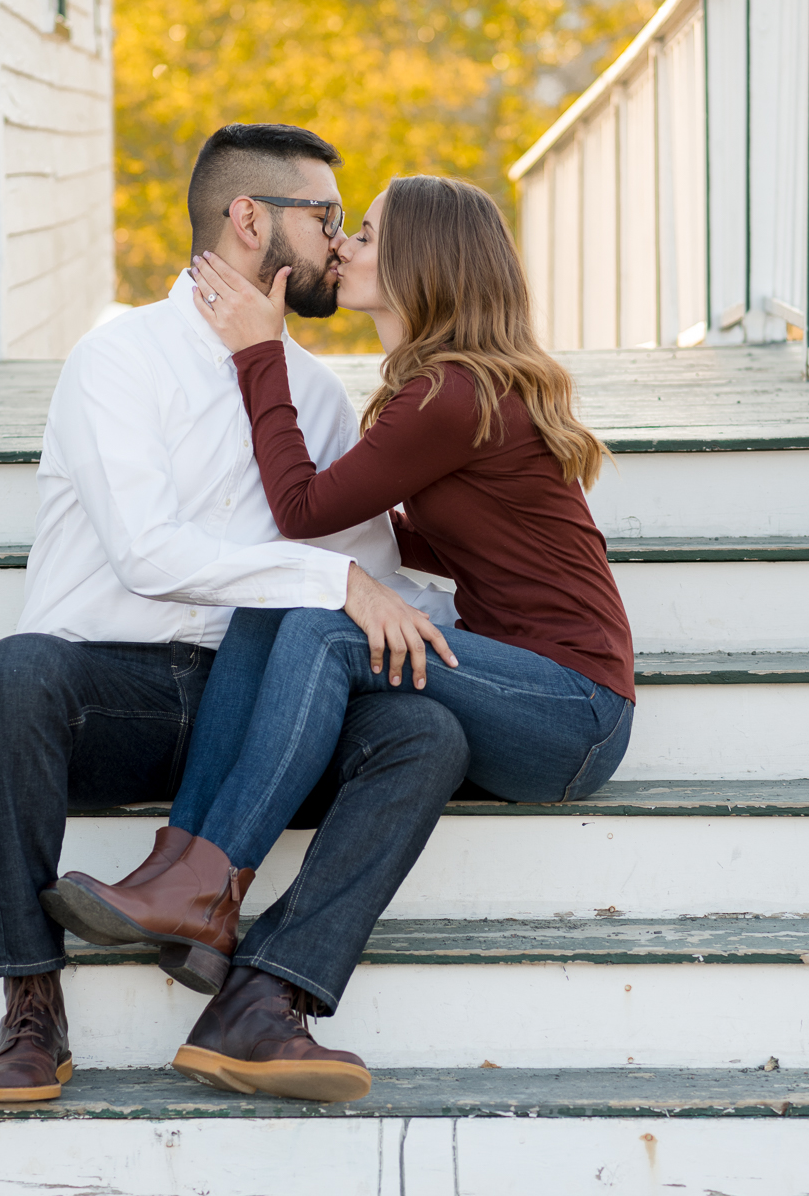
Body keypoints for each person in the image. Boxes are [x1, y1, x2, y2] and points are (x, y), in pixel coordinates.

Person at [68, 175, 636, 1096]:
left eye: (365, 235)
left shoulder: (454, 395)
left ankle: (209, 886)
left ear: (420, 263)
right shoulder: (443, 394)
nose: (344, 249)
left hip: (573, 707)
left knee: (322, 613)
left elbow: (301, 512)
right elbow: (391, 536)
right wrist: (341, 570)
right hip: (504, 690)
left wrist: (260, 356)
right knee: (291, 606)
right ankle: (204, 907)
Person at [0, 125, 470, 1107]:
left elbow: (372, 581)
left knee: (427, 729)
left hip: (269, 712)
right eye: (326, 217)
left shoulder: (321, 399)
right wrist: (325, 584)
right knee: (14, 670)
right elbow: (150, 556)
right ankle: (33, 1002)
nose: (339, 240)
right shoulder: (118, 359)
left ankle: (264, 997)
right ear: (249, 219)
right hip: (118, 691)